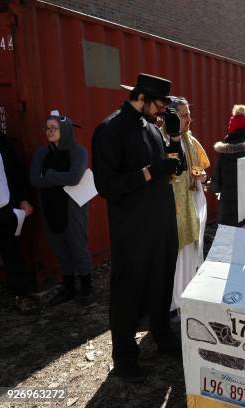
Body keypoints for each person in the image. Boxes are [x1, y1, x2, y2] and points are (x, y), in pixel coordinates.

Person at [92, 73, 183, 383]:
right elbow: (106, 185)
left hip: (161, 222)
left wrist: (173, 138)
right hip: (132, 229)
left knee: (162, 281)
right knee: (128, 291)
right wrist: (147, 173)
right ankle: (124, 356)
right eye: (159, 105)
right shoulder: (110, 130)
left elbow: (176, 167)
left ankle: (162, 336)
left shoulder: (153, 128)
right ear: (142, 98)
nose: (162, 112)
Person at [29, 112, 93, 306]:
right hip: (50, 206)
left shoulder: (78, 151)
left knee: (78, 247)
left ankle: (87, 288)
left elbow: (74, 177)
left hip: (72, 208)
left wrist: (49, 176)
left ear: (64, 130)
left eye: (53, 128)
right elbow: (34, 180)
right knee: (61, 249)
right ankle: (69, 288)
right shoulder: (42, 153)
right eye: (47, 128)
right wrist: (58, 177)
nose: (49, 132)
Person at [163, 100, 210, 312]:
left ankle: (190, 293)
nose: (189, 119)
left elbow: (198, 168)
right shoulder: (164, 140)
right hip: (175, 208)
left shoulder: (190, 140)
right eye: (183, 116)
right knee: (178, 255)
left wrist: (200, 175)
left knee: (193, 251)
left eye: (189, 115)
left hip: (194, 202)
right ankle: (175, 302)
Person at [212, 105, 245, 226]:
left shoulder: (223, 152)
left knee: (231, 242)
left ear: (232, 127)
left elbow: (216, 186)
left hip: (228, 211)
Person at [0, 131, 36, 310]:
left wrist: (23, 199)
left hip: (5, 209)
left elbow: (16, 173)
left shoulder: (2, 143)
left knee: (12, 253)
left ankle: (22, 295)